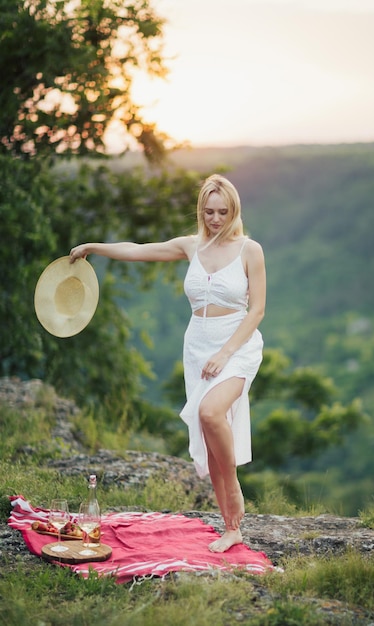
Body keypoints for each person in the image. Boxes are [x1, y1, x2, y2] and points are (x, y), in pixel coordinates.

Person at [69, 174, 266, 552]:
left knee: (211, 413)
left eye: (223, 212)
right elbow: (138, 249)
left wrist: (225, 353)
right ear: (201, 211)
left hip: (236, 346)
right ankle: (231, 529)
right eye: (209, 211)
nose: (215, 218)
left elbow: (257, 310)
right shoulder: (191, 246)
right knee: (209, 439)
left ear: (234, 210)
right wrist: (94, 247)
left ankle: (236, 485)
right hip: (197, 347)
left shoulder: (249, 250)